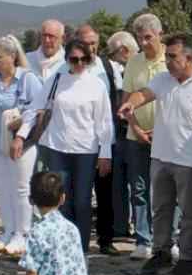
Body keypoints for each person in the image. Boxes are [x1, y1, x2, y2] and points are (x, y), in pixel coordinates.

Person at [118, 35, 192, 275]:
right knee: (161, 209)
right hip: (161, 157)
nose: (168, 62)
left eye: (173, 57)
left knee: (189, 213)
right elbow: (142, 94)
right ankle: (160, 252)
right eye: (167, 57)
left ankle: (188, 258)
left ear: (189, 57)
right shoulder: (164, 79)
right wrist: (131, 104)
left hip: (189, 160)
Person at [20, 39, 113, 252]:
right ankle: (62, 245)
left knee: (82, 201)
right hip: (56, 147)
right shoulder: (56, 79)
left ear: (90, 59)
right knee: (60, 200)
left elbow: (104, 121)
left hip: (86, 151)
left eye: (84, 59)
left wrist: (105, 153)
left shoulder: (97, 84)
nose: (79, 63)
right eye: (74, 59)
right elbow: (35, 108)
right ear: (67, 59)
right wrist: (21, 136)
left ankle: (80, 247)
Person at [0, 36, 42, 257]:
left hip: (20, 144)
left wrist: (20, 136)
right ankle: (9, 229)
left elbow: (36, 110)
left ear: (12, 56)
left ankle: (23, 233)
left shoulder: (28, 79)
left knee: (21, 189)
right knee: (2, 189)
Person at [64, 25, 123, 256]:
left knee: (106, 188)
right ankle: (77, 239)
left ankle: (106, 239)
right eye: (86, 43)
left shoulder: (108, 66)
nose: (91, 47)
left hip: (105, 134)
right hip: (80, 140)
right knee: (79, 193)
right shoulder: (70, 66)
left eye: (94, 43)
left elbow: (116, 97)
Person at [122, 14, 169, 260]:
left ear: (160, 35)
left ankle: (169, 238)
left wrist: (160, 129)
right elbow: (127, 99)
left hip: (166, 136)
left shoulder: (169, 60)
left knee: (167, 188)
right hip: (136, 135)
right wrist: (137, 128)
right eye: (140, 38)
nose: (143, 43)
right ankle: (143, 240)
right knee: (139, 189)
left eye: (148, 37)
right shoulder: (133, 62)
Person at [107, 31, 140, 256]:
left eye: (112, 52)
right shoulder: (115, 69)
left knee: (137, 182)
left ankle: (139, 228)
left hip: (134, 132)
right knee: (118, 182)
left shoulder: (135, 67)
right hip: (119, 133)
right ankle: (121, 226)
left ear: (123, 51)